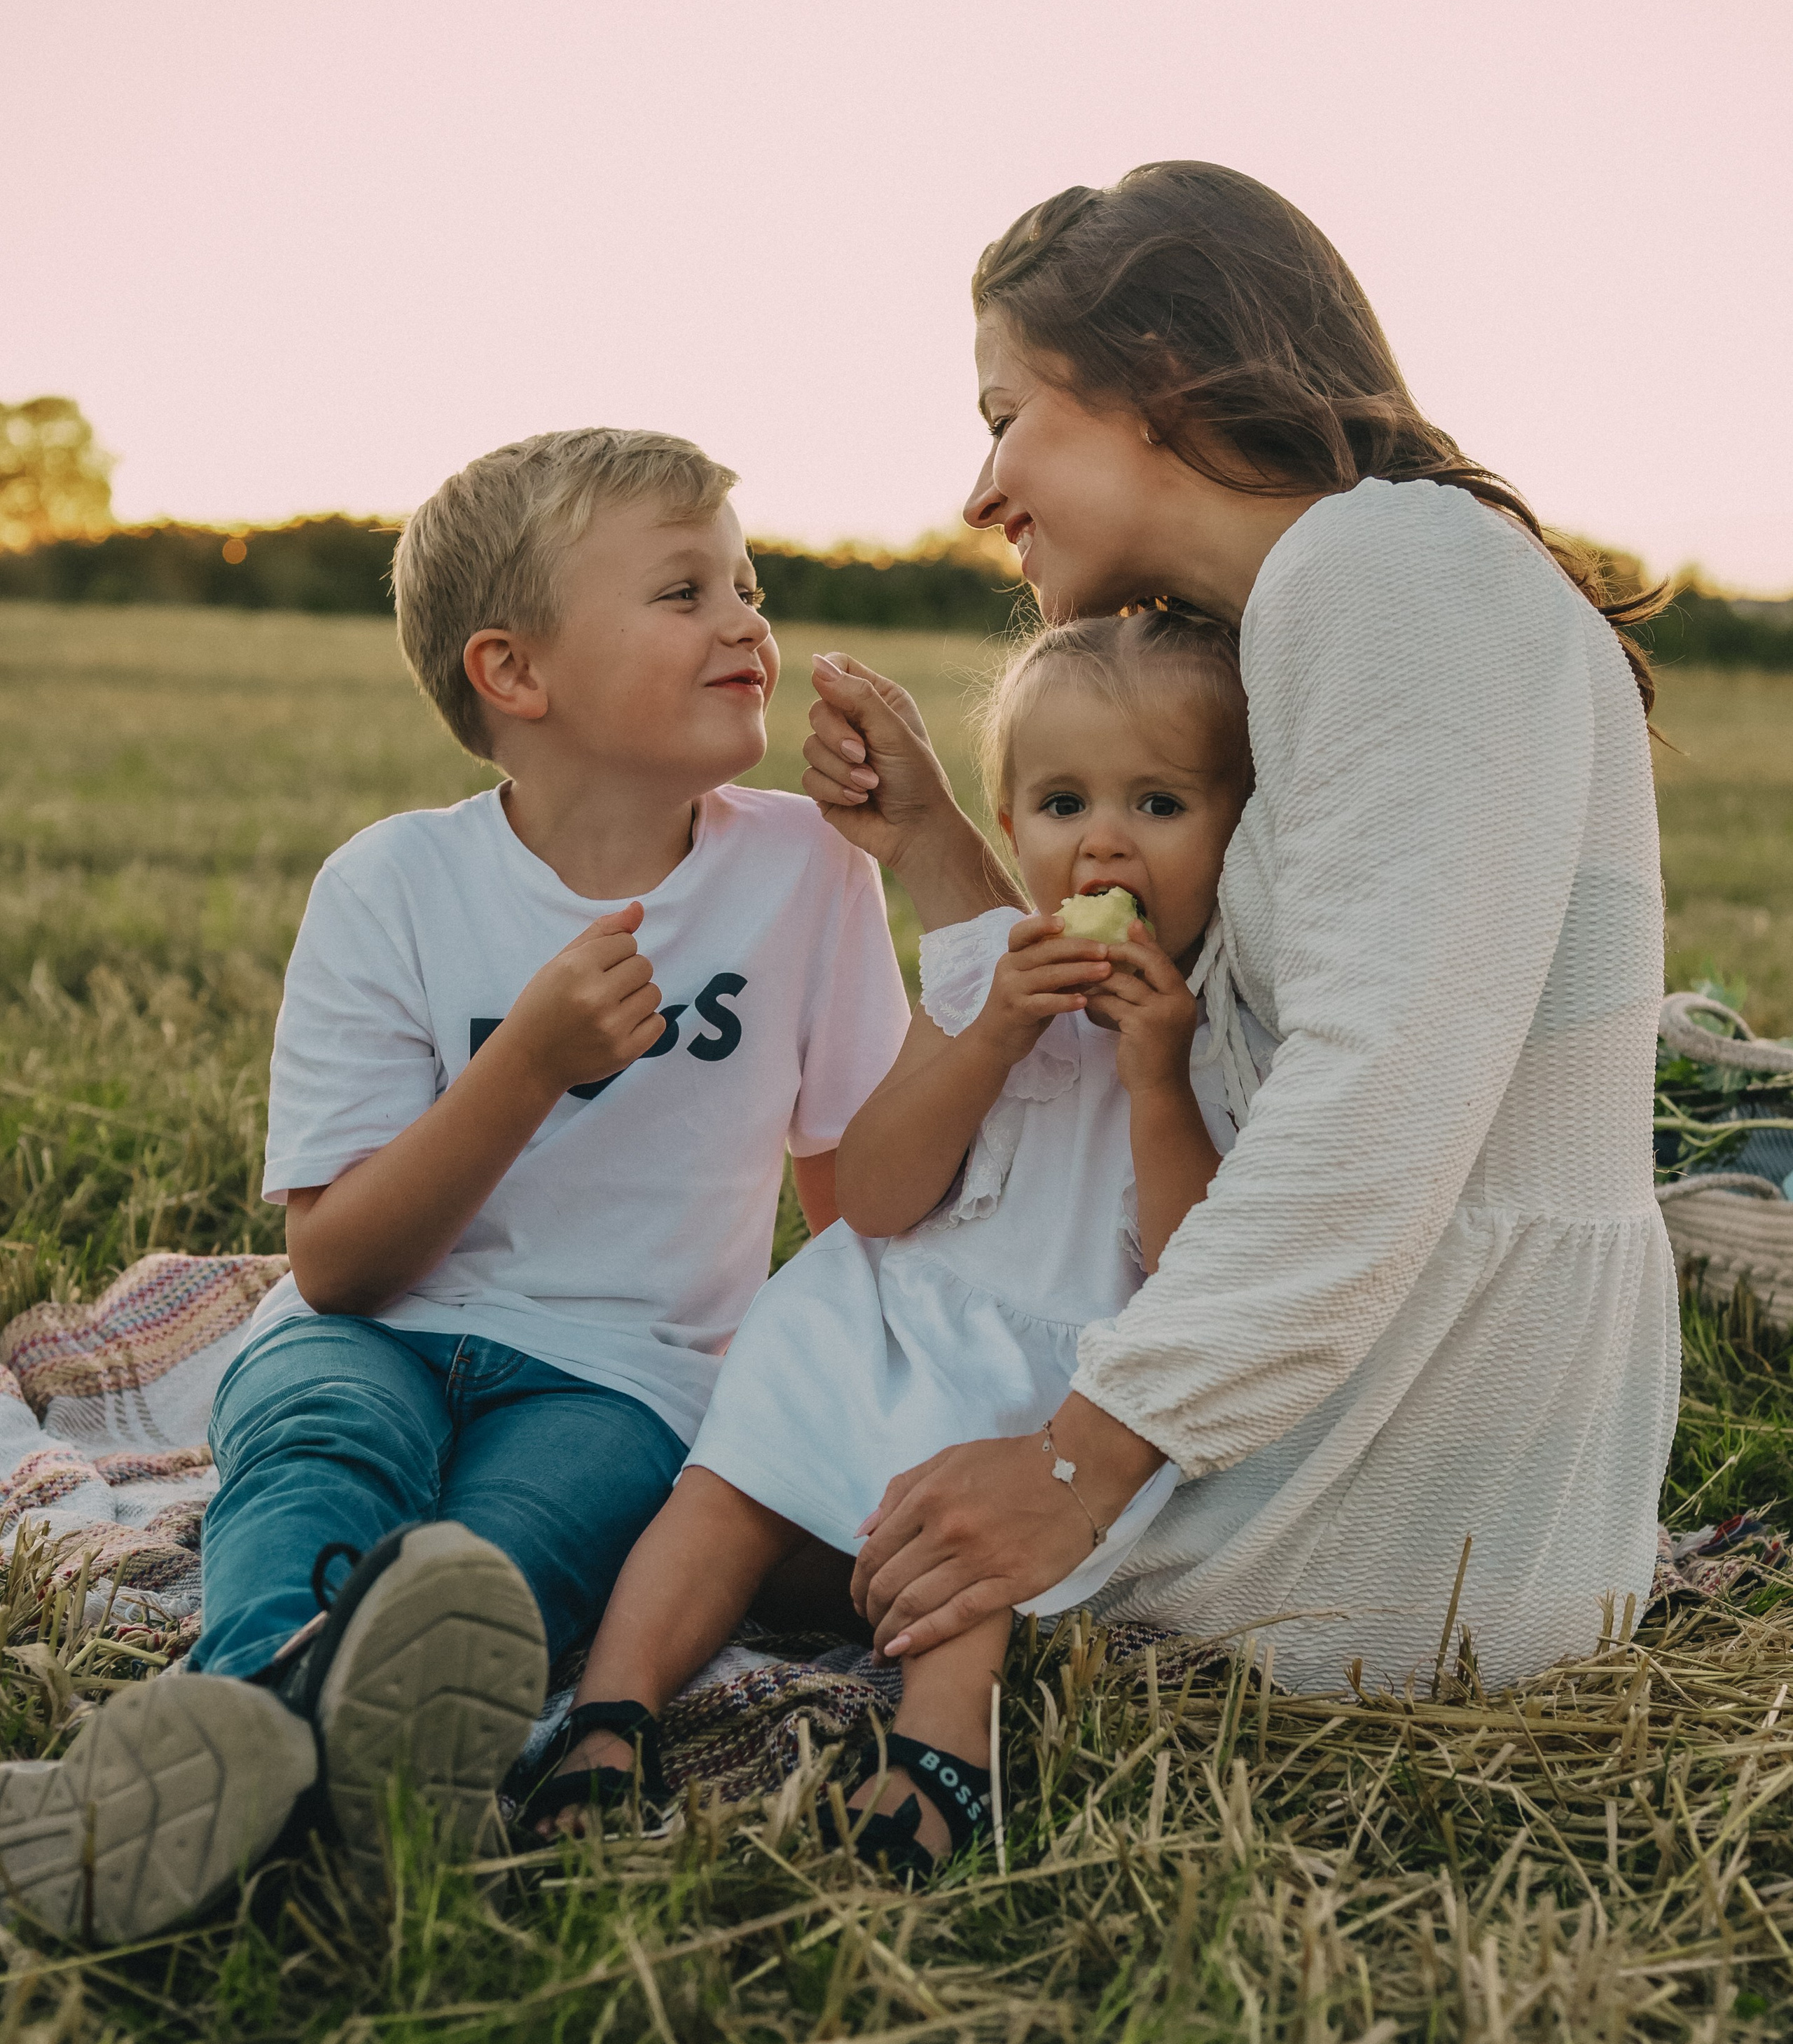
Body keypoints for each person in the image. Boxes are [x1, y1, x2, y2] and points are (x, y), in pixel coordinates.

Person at [0, 427, 909, 1942]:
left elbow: (862, 1196)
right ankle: (292, 1737)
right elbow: (340, 1266)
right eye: (684, 590)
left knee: (491, 1564)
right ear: (514, 671)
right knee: (318, 1446)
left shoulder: (811, 873)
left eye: (745, 583)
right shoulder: (391, 888)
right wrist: (523, 1067)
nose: (749, 621)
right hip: (372, 1326)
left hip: (630, 1375)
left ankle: (242, 1754)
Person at [802, 163, 1679, 1703]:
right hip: (1381, 1415)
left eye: (1002, 414)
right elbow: (1163, 1035)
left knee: (719, 1457)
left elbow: (1371, 1100)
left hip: (1404, 1515)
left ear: (1153, 375)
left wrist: (1070, 1468)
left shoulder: (1391, 567)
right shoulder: (1324, 607)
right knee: (744, 1425)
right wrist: (937, 843)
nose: (977, 489)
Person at [522, 606, 1273, 1874]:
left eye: (1158, 804)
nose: (1100, 839)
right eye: (1058, 804)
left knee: (965, 1527)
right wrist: (987, 1037)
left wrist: (1157, 1078)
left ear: (1241, 832)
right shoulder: (988, 967)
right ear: (1011, 820)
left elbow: (1194, 1269)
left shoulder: (1231, 1027)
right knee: (725, 1487)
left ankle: (939, 1757)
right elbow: (872, 1196)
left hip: (1046, 1386)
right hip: (884, 1316)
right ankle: (611, 1713)